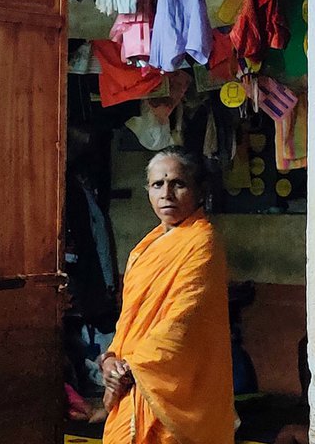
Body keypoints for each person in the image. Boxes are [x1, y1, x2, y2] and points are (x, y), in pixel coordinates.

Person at [99, 146, 235, 444]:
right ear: (148, 190)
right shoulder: (144, 248)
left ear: (200, 190)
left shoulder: (203, 241)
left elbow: (181, 322)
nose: (167, 194)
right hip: (129, 381)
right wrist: (110, 359)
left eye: (179, 184)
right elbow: (130, 320)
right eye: (158, 184)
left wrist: (132, 366)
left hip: (166, 385)